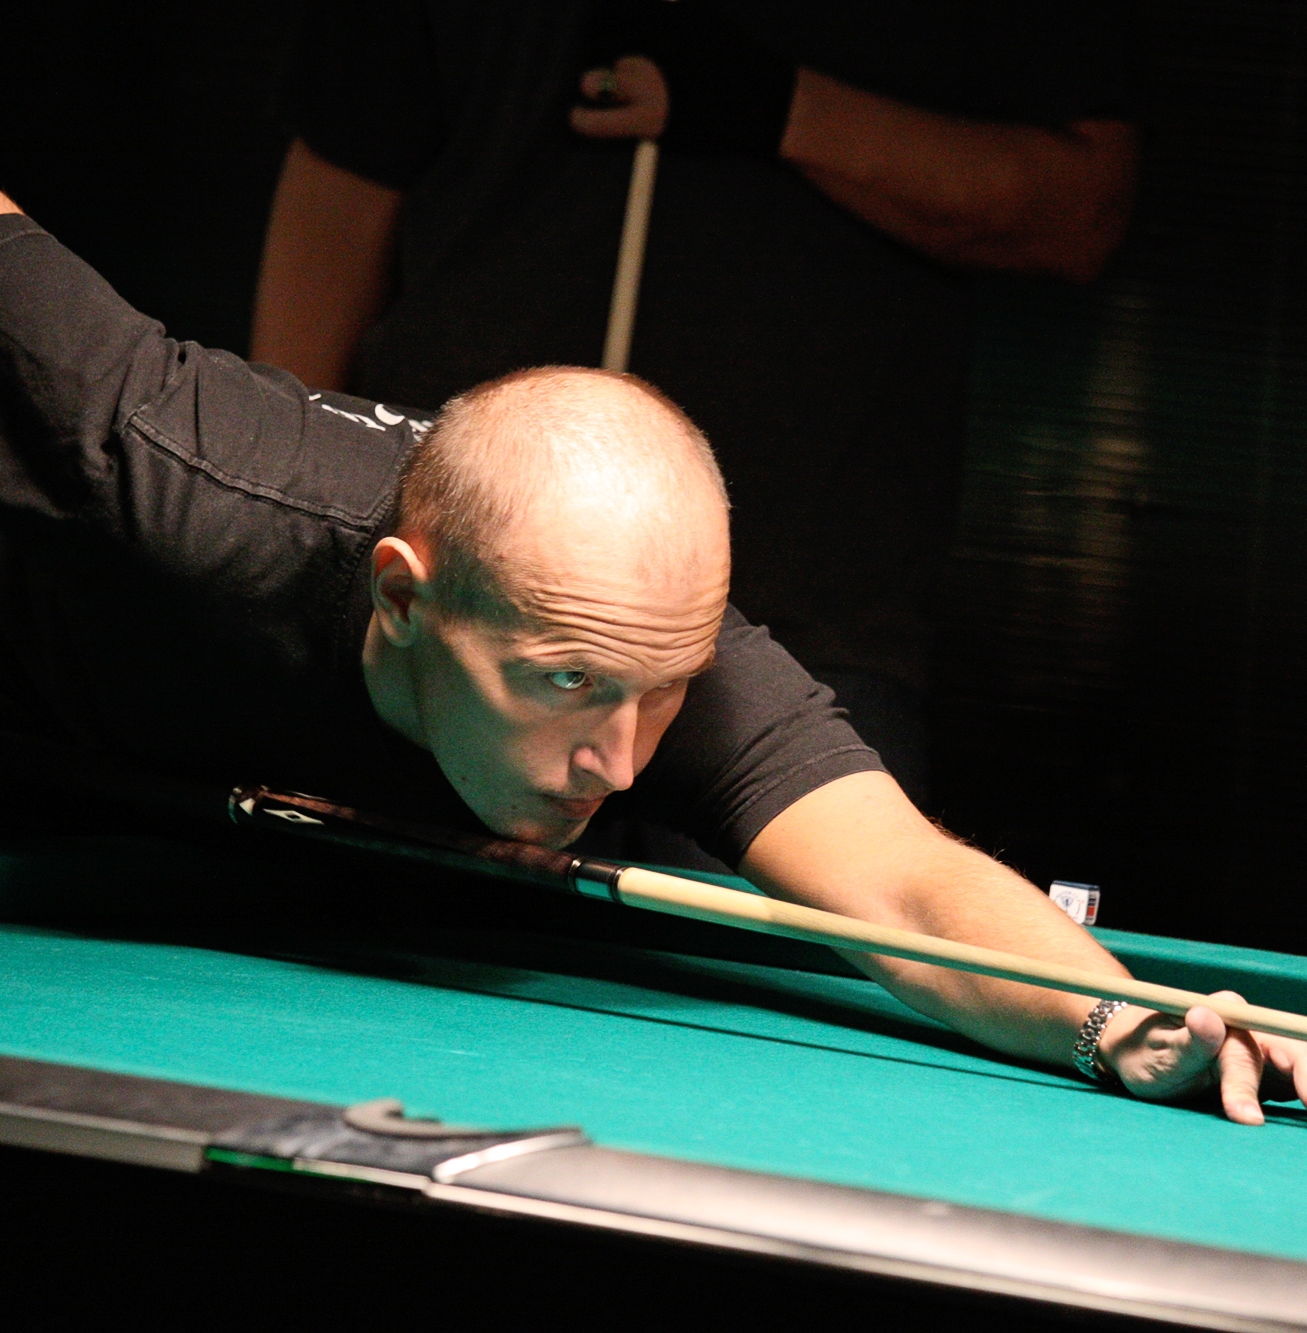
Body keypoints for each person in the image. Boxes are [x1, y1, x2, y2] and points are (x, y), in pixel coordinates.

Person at [0, 156, 1307, 1134]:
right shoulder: (179, 469)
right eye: (566, 686)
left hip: (262, 809)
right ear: (404, 599)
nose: (622, 760)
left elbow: (907, 882)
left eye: (660, 690)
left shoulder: (661, 663)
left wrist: (1124, 1019)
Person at [255, 0, 1142, 814]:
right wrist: (288, 527)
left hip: (810, 620)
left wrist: (781, 109)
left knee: (815, 921)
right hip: (461, 611)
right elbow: (339, 195)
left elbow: (1079, 212)